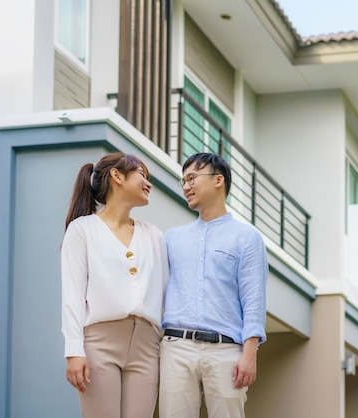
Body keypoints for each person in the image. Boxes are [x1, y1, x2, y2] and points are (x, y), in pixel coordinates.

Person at [159, 152, 268, 418]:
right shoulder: (171, 239)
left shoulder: (248, 238)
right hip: (177, 347)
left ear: (219, 180)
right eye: (183, 181)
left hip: (227, 350)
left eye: (192, 178)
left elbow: (253, 299)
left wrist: (250, 354)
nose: (186, 186)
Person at [61, 151, 168, 418]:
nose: (149, 183)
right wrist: (73, 350)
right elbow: (72, 295)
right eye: (142, 175)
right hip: (99, 345)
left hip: (147, 345)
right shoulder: (82, 229)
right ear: (117, 176)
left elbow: (166, 294)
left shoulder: (153, 235)